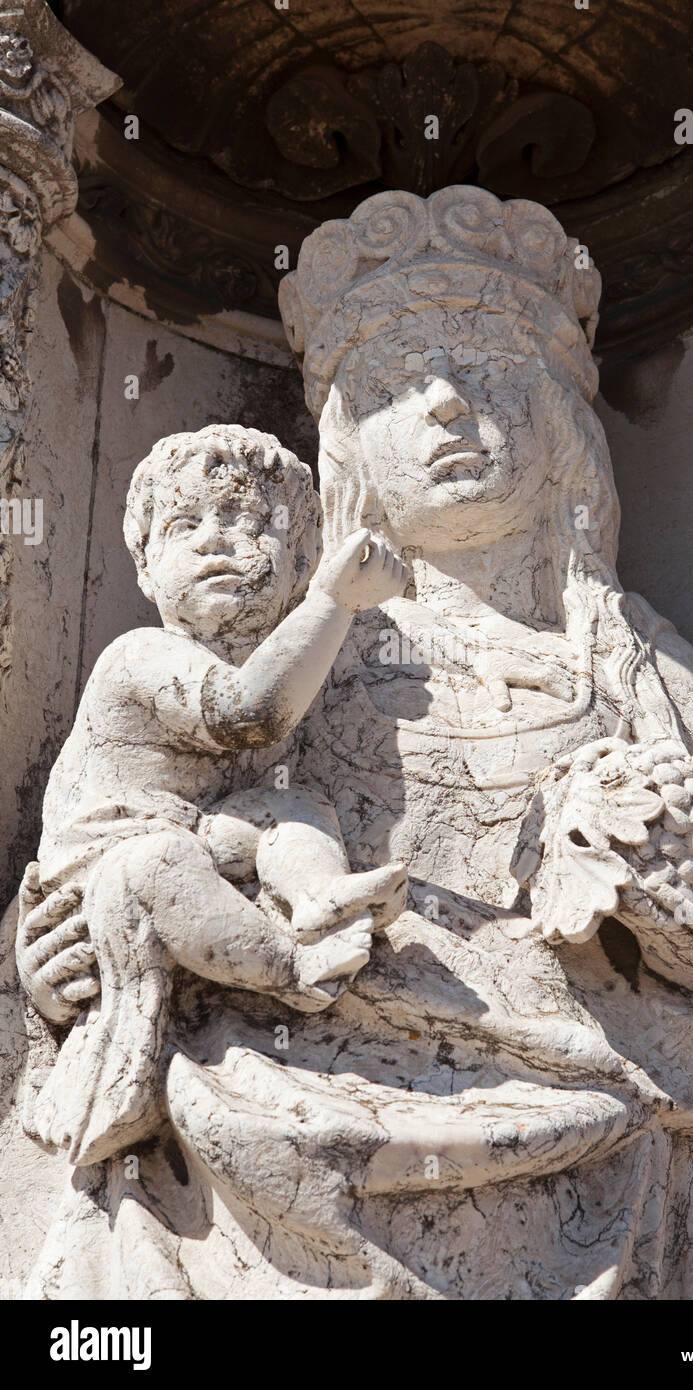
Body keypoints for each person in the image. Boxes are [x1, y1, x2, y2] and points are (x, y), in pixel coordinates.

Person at [14, 188, 693, 1299]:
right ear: (346, 443)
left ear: (560, 421)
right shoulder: (288, 649)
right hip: (302, 1061)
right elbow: (134, 828)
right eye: (397, 383)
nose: (447, 407)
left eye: (485, 372)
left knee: (653, 1137)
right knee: (224, 1104)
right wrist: (58, 966)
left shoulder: (628, 663)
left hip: (592, 1071)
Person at [24, 422, 407, 1166]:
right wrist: (336, 600)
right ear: (144, 567)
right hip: (107, 868)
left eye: (245, 521)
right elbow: (249, 712)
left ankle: (322, 899)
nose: (215, 541)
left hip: (199, 836)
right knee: (160, 863)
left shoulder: (317, 667)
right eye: (184, 524)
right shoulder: (140, 656)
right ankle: (292, 967)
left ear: (297, 560)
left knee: (293, 810)